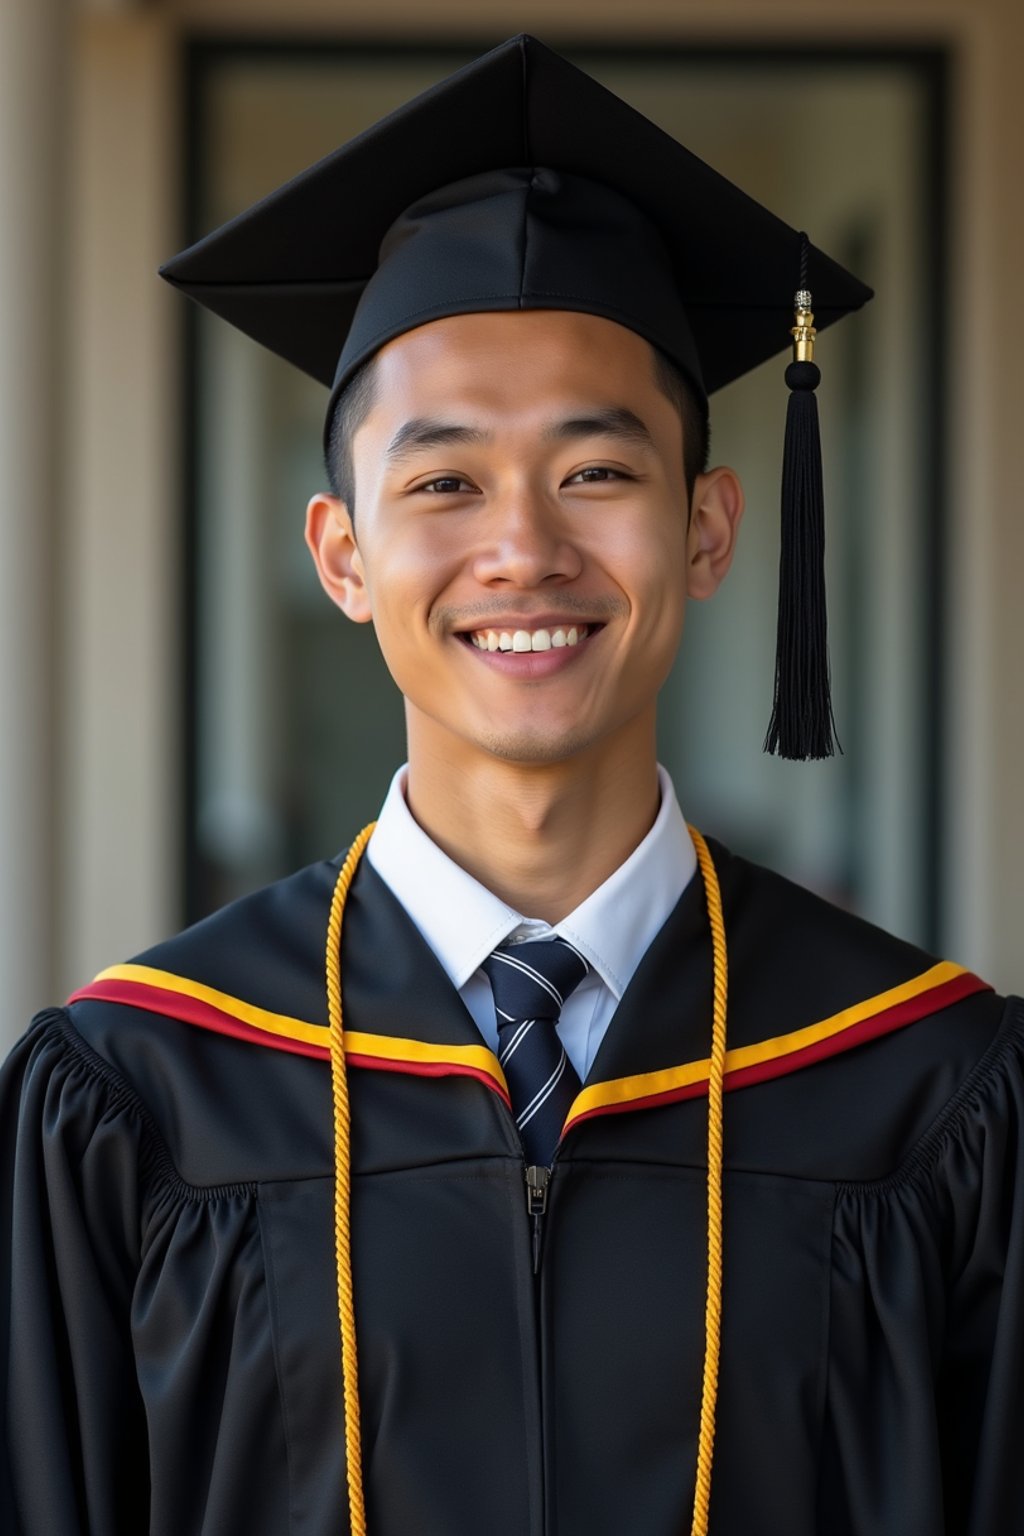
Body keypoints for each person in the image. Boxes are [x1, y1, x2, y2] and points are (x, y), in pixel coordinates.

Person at [2, 34, 1022, 1536]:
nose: (524, 548)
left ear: (709, 530)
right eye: (443, 481)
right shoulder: (144, 1098)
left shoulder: (925, 1096)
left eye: (597, 472)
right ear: (343, 557)